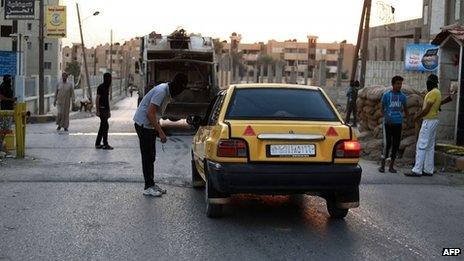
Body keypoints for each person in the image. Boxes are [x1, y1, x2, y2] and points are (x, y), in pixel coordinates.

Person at [133, 73, 188, 197]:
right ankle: (148, 187)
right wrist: (161, 132)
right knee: (147, 156)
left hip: (148, 125)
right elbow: (150, 113)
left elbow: (155, 114)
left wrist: (156, 128)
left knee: (151, 155)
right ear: (177, 86)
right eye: (180, 89)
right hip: (143, 124)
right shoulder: (161, 91)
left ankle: (151, 184)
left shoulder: (166, 91)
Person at [406, 74, 454, 177]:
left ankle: (417, 170)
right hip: (434, 120)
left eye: (428, 82)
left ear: (431, 83)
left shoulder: (433, 93)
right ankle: (428, 169)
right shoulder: (437, 92)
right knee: (429, 147)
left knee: (421, 145)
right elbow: (435, 106)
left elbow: (427, 109)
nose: (427, 83)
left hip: (428, 121)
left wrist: (417, 117)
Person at [379, 76, 409, 173]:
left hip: (398, 123)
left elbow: (406, 109)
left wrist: (408, 120)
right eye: (397, 83)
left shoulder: (403, 97)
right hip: (388, 124)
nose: (399, 85)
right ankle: (382, 165)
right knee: (387, 144)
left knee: (396, 144)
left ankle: (391, 166)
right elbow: (382, 108)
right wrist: (386, 117)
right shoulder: (386, 95)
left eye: (400, 84)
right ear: (393, 84)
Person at [95, 73, 113, 150]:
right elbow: (97, 99)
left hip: (105, 109)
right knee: (105, 126)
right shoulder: (101, 87)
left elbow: (106, 100)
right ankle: (105, 144)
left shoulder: (107, 87)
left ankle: (98, 143)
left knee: (103, 126)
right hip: (102, 109)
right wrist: (97, 110)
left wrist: (109, 111)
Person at [0, 74, 16, 149]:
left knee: (8, 127)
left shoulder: (9, 87)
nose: (10, 80)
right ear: (5, 79)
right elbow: (1, 97)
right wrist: (10, 100)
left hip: (10, 109)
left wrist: (13, 101)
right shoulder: (3, 86)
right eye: (8, 79)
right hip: (5, 109)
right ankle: (2, 144)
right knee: (4, 127)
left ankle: (5, 144)